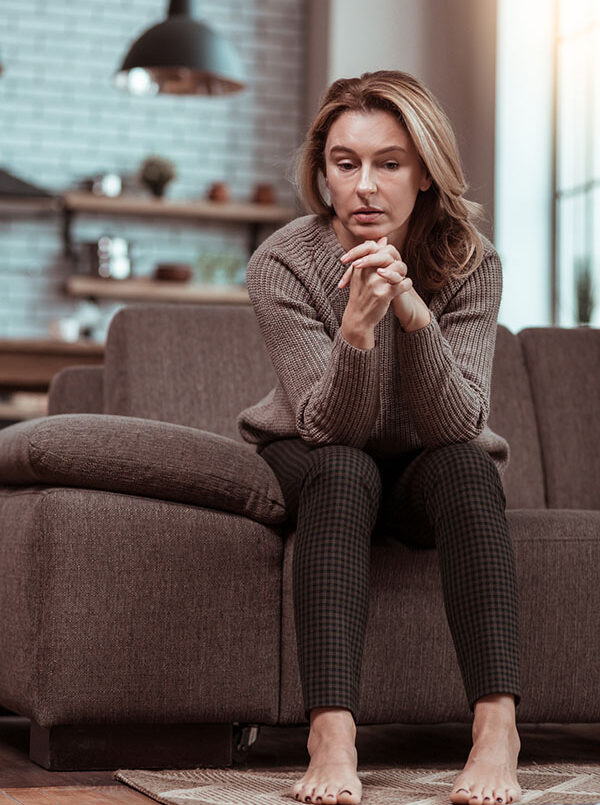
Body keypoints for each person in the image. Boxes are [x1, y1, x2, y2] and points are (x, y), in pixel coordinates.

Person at [236, 69, 522, 805]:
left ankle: (498, 730)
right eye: (346, 162)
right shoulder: (283, 262)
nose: (366, 185)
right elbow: (330, 425)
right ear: (322, 172)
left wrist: (413, 312)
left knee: (467, 467)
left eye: (389, 163)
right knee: (342, 469)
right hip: (314, 445)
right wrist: (357, 326)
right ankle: (331, 734)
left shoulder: (470, 260)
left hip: (426, 458)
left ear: (424, 172)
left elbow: (460, 422)